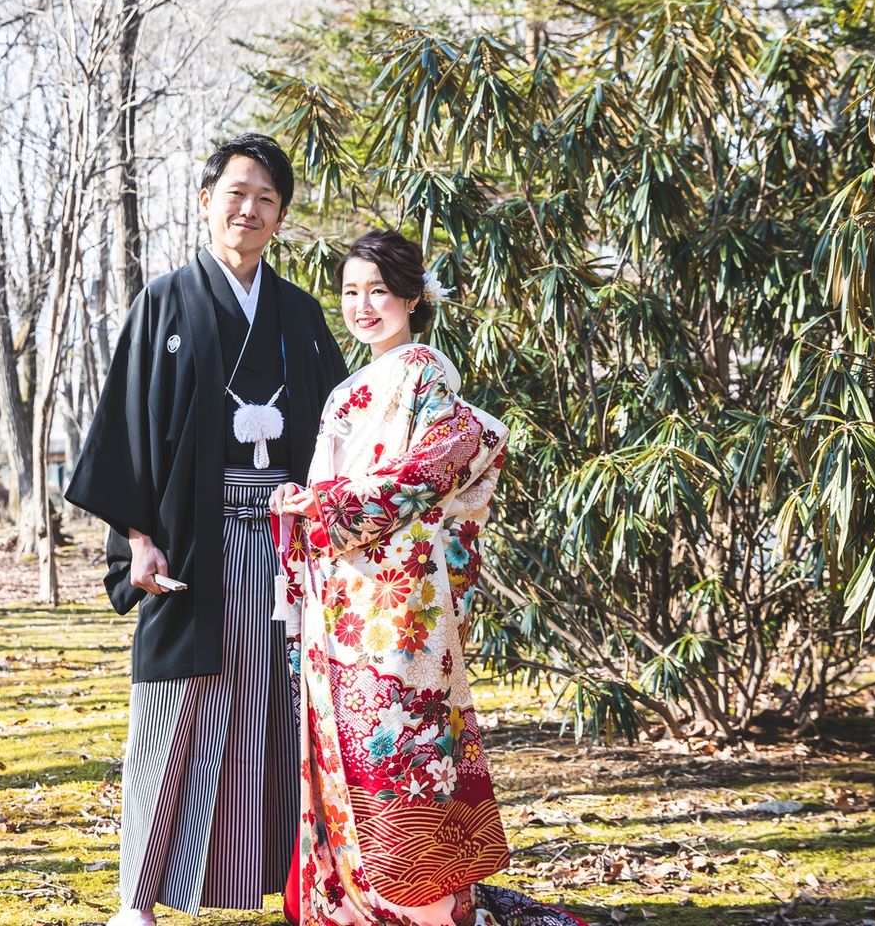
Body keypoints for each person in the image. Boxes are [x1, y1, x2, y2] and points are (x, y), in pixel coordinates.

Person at [65, 133, 347, 926]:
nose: (249, 210)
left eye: (266, 199)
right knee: (173, 710)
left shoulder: (300, 314)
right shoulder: (165, 302)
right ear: (205, 202)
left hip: (287, 544)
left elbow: (339, 428)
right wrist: (136, 537)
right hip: (192, 539)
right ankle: (136, 899)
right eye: (236, 194)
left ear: (280, 217)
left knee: (279, 710)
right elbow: (126, 426)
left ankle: (303, 889)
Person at [271, 230, 587, 926]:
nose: (363, 306)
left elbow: (448, 459)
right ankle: (355, 898)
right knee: (343, 738)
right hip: (342, 593)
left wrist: (331, 505)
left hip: (399, 601)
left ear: (413, 298)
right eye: (351, 292)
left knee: (400, 738)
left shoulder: (424, 373)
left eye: (379, 291)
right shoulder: (347, 389)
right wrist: (304, 503)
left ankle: (426, 906)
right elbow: (337, 485)